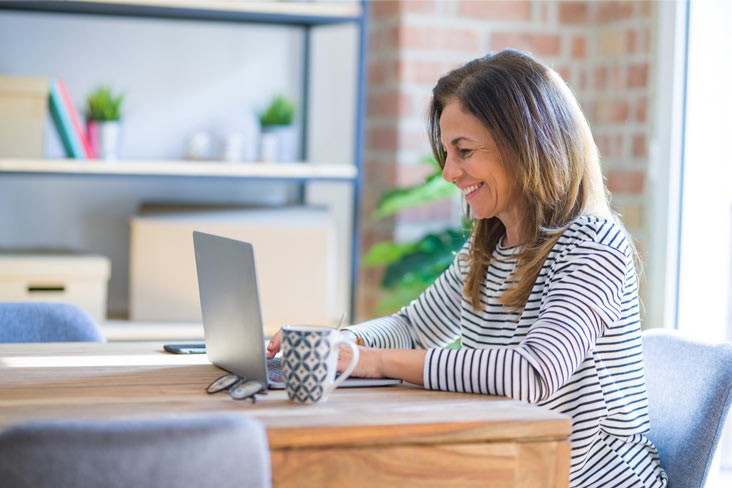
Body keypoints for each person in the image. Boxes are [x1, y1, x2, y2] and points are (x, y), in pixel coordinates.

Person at [267, 49, 667, 487]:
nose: (449, 172)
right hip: (510, 467)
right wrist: (342, 342)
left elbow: (530, 374)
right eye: (447, 152)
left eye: (464, 151)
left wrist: (376, 361)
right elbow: (412, 327)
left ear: (525, 144)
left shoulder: (592, 246)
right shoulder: (490, 249)